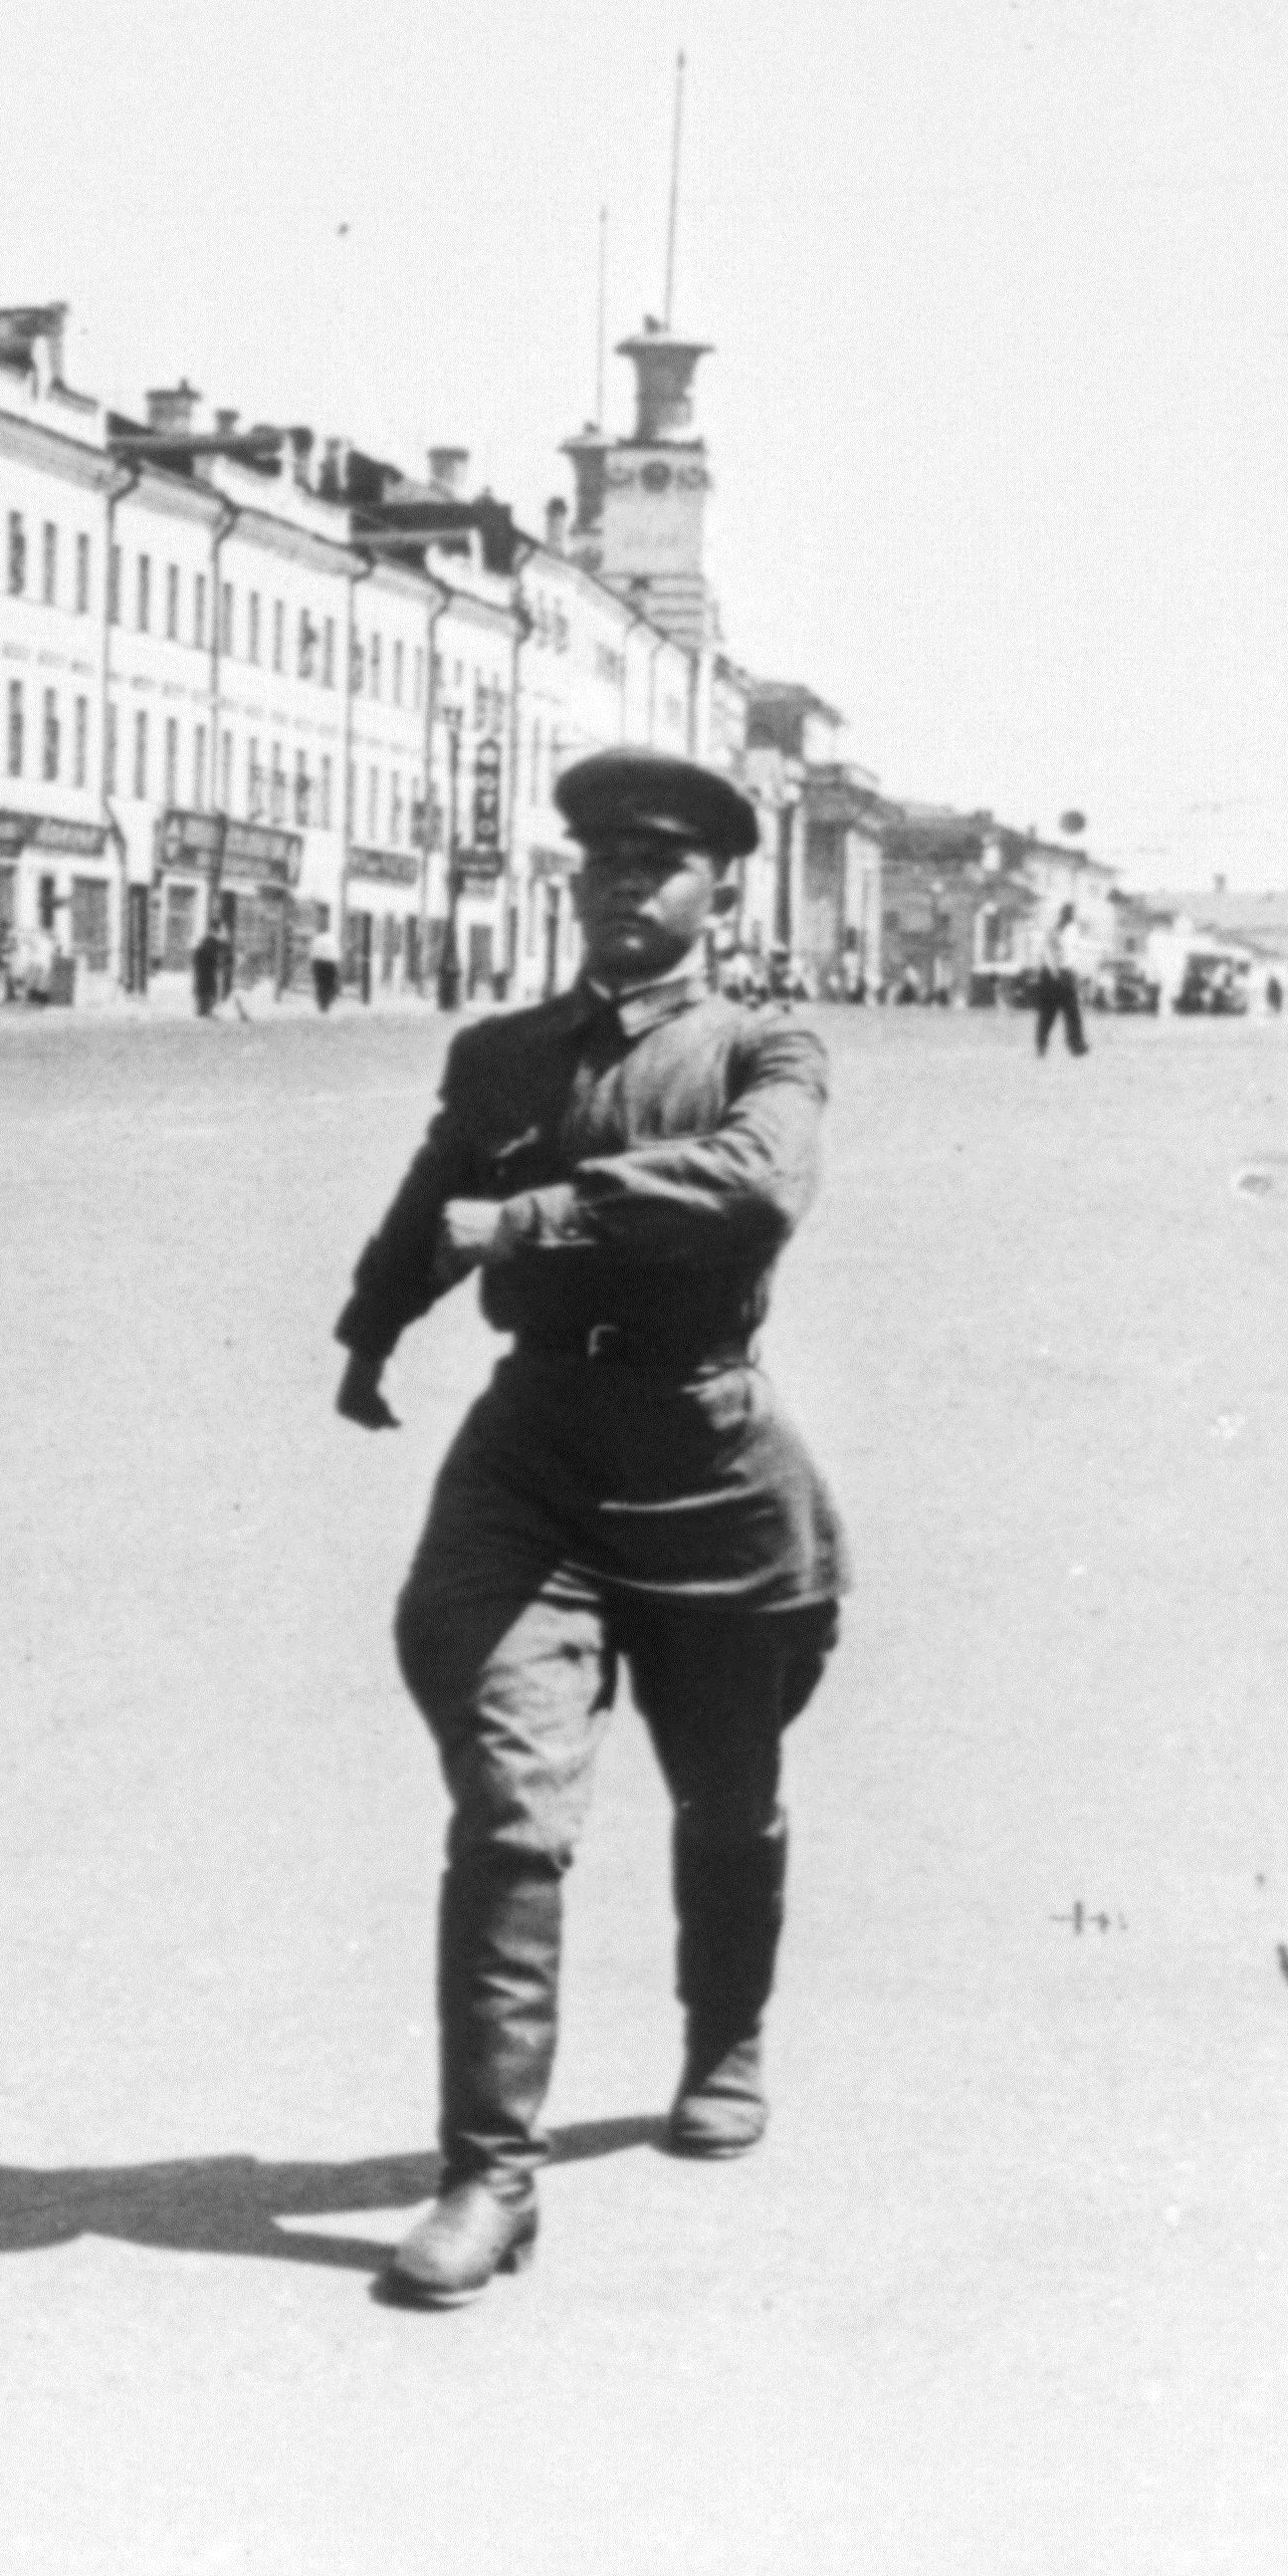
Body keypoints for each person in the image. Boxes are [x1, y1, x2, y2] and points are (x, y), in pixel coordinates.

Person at [330, 750, 848, 2311]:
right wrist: (370, 1332)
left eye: (659, 865)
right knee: (510, 1807)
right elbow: (435, 1201)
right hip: (535, 1456)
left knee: (729, 1796)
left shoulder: (766, 1044)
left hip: (706, 1463)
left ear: (718, 891)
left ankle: (726, 2040)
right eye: (602, 862)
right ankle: (488, 2173)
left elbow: (756, 1193)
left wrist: (543, 1218)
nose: (625, 885)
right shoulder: (503, 1053)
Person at [1033, 904, 1091, 1060]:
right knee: (1072, 1013)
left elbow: (1047, 950)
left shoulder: (1054, 928)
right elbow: (1069, 954)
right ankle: (1076, 1046)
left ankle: (1041, 1045)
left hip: (1049, 973)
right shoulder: (1072, 929)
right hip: (1063, 973)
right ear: (1072, 914)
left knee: (1047, 1013)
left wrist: (1051, 969)